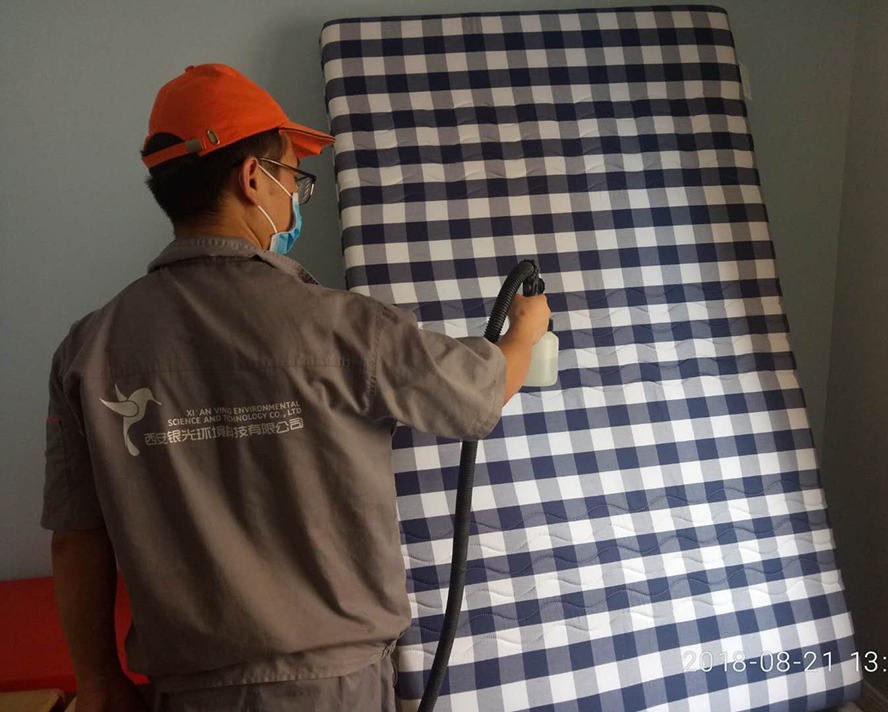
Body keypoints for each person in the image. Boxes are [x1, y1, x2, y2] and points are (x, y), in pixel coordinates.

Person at [41, 63, 551, 712]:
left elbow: (76, 536)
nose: (295, 197)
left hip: (185, 695)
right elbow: (475, 393)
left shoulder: (88, 350)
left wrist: (98, 679)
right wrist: (523, 335)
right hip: (333, 689)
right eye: (292, 176)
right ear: (253, 179)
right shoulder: (342, 328)